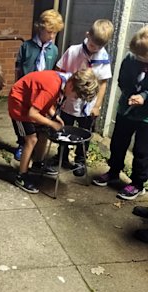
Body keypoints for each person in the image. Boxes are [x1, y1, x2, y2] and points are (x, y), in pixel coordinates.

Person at [8, 69, 99, 193]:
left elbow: (46, 102)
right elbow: (32, 114)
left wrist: (55, 117)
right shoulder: (52, 86)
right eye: (76, 96)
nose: (74, 98)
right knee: (31, 139)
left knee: (45, 133)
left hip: (31, 103)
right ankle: (21, 176)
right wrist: (52, 123)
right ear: (71, 84)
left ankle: (38, 164)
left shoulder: (62, 81)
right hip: (19, 104)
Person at [92, 26, 148, 203]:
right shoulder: (131, 58)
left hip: (146, 116)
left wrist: (144, 97)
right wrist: (129, 93)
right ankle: (113, 171)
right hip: (126, 109)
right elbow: (122, 79)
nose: (138, 59)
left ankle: (138, 184)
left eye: (143, 57)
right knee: (118, 142)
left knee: (142, 151)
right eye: (137, 55)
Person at [53, 19, 114, 176]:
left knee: (84, 133)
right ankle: (62, 155)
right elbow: (59, 70)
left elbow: (102, 84)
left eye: (99, 47)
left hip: (88, 104)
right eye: (93, 45)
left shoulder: (103, 58)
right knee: (63, 128)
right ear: (88, 35)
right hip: (68, 100)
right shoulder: (73, 51)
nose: (95, 49)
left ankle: (80, 159)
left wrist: (97, 106)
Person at [13, 9, 64, 161]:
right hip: (26, 90)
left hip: (42, 92)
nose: (52, 36)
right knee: (23, 119)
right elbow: (18, 69)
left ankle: (35, 151)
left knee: (38, 120)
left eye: (55, 33)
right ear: (40, 28)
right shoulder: (26, 47)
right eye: (49, 32)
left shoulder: (53, 50)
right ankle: (22, 143)